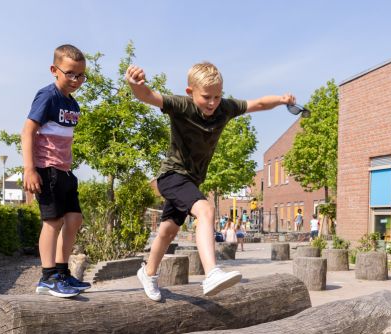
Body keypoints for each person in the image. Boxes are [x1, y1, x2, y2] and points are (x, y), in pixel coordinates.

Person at [126, 61, 296, 300]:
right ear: (190, 92)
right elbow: (148, 96)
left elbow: (257, 103)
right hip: (172, 176)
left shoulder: (224, 108)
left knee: (168, 230)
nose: (213, 103)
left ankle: (148, 272)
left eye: (217, 96)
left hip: (191, 181)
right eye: (206, 97)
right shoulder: (181, 105)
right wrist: (135, 84)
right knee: (206, 210)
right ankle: (211, 274)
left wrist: (281, 100)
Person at [21, 44, 92, 298]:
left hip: (64, 171)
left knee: (74, 219)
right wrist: (30, 169)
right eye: (70, 73)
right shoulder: (47, 96)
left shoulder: (73, 105)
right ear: (54, 70)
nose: (76, 80)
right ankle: (48, 276)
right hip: (46, 168)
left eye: (81, 75)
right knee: (52, 221)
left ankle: (62, 272)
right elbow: (28, 131)